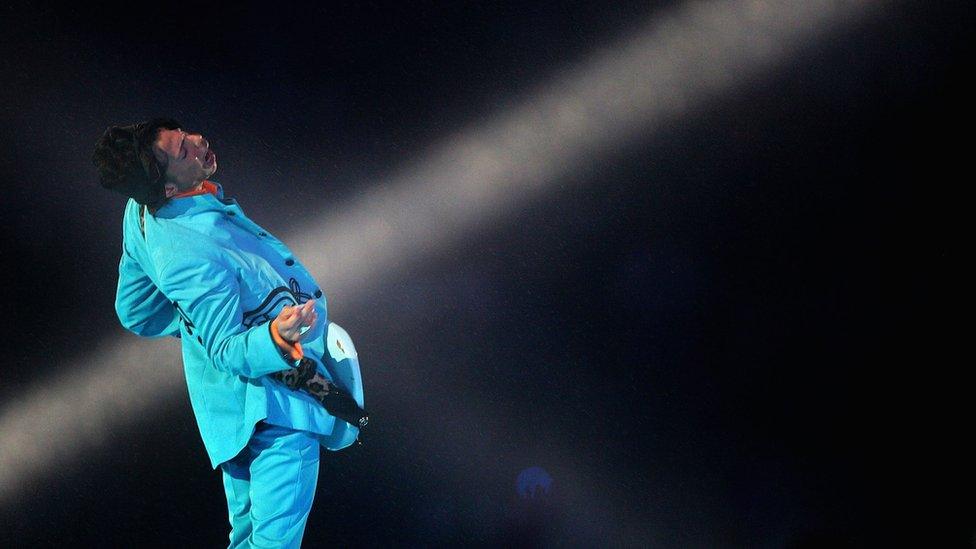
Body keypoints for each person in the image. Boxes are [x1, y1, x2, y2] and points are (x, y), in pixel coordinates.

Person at [93, 118, 367, 548]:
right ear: (166, 188)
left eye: (186, 136)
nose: (200, 142)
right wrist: (273, 338)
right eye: (184, 150)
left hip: (231, 408)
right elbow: (226, 348)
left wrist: (196, 324)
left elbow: (134, 310)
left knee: (247, 541)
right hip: (277, 410)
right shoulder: (187, 254)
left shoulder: (141, 214)